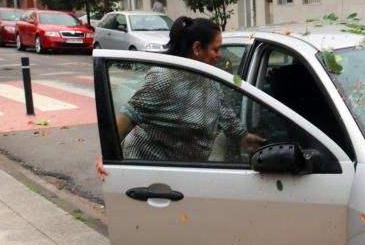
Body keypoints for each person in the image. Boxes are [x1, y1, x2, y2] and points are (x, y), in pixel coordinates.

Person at [96, 16, 263, 179]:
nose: (220, 55)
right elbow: (129, 115)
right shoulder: (164, 77)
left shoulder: (208, 77)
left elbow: (223, 112)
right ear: (197, 48)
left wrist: (243, 136)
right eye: (215, 49)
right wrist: (107, 155)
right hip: (147, 172)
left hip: (182, 173)